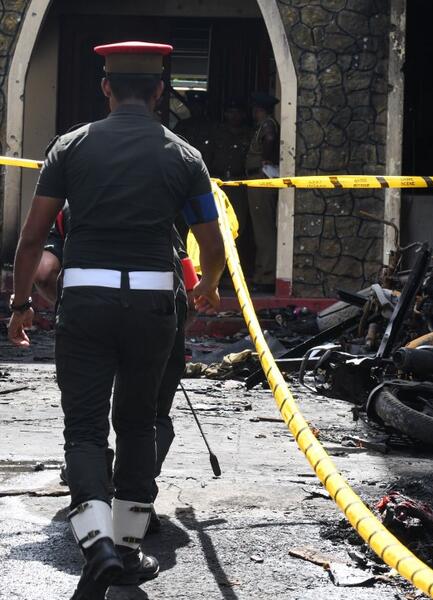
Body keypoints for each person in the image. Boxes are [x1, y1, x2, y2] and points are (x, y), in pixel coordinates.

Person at [7, 41, 226, 600]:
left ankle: (96, 544)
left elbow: (33, 238)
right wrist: (209, 288)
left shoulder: (70, 147)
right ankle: (125, 550)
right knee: (136, 422)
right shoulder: (183, 156)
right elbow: (210, 238)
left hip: (85, 303)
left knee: (83, 427)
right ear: (159, 94)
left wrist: (19, 304)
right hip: (154, 306)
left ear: (106, 87)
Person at [35, 206, 193, 533]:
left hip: (89, 310)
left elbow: (45, 272)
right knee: (148, 417)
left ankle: (95, 512)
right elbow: (189, 281)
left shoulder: (71, 206)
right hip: (157, 310)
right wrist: (174, 331)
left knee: (86, 426)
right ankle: (134, 506)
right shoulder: (158, 194)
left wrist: (63, 307)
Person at [244, 92, 280, 292]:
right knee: (261, 228)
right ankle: (262, 272)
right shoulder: (266, 124)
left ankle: (266, 275)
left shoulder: (267, 124)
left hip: (261, 177)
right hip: (257, 177)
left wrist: (266, 157)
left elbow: (270, 138)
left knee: (263, 229)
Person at [173, 90, 214, 166]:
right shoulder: (182, 125)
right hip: (184, 165)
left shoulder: (212, 126)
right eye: (193, 105)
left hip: (204, 165)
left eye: (198, 105)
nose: (195, 108)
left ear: (204, 106)